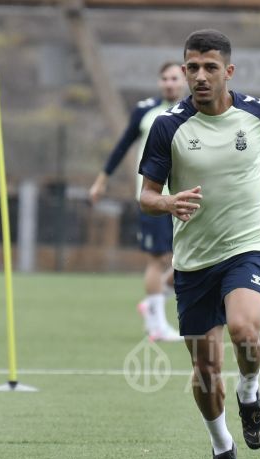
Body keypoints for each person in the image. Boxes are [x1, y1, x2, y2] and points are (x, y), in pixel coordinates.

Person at [138, 29, 260, 459]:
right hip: (193, 260)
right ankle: (222, 447)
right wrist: (168, 202)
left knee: (244, 329)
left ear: (228, 71)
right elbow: (146, 195)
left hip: (249, 245)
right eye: (192, 67)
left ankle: (250, 392)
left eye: (210, 67)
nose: (200, 76)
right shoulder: (167, 126)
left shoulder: (259, 114)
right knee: (206, 370)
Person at [89, 61, 187, 342]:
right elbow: (123, 145)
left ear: (183, 81)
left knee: (184, 259)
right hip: (153, 197)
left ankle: (154, 303)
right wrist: (102, 180)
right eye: (165, 78)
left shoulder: (193, 111)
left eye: (174, 78)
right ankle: (156, 324)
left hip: (184, 196)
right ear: (160, 82)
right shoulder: (145, 111)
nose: (170, 83)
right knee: (157, 259)